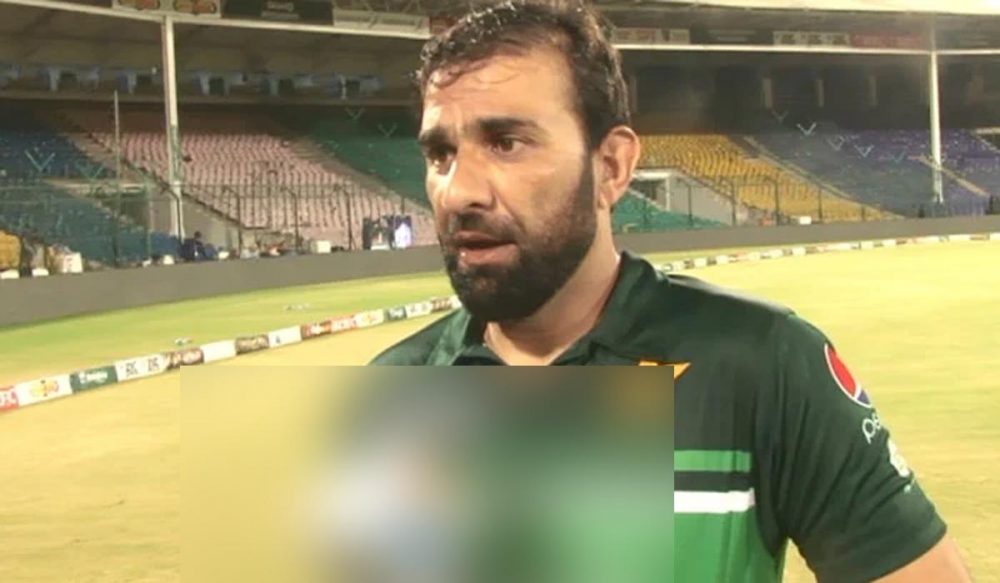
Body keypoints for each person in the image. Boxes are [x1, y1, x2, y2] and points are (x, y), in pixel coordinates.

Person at [369, 1, 971, 581]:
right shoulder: (395, 392)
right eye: (440, 153)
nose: (459, 192)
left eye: (506, 143)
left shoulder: (762, 363)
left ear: (612, 166)